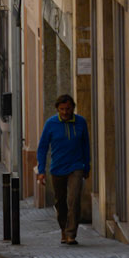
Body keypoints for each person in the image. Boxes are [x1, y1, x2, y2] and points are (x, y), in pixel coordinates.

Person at [36, 93, 92, 244]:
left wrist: (87, 166)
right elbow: (42, 148)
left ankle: (71, 234)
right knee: (60, 202)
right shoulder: (51, 124)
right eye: (62, 109)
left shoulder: (81, 122)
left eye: (68, 109)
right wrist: (41, 171)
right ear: (57, 109)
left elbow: (86, 146)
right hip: (58, 168)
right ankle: (63, 228)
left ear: (73, 108)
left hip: (76, 166)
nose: (65, 112)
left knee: (74, 200)